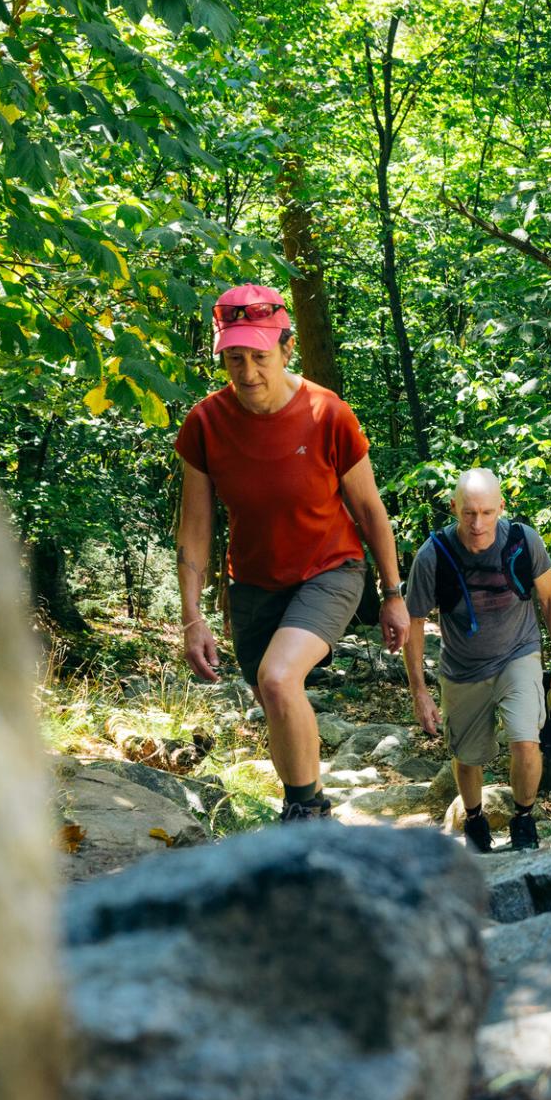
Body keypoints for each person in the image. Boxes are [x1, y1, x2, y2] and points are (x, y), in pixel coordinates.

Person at [174, 283, 410, 822]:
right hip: (254, 583)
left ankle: (310, 815)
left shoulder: (328, 413)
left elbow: (371, 511)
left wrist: (394, 594)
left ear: (286, 348)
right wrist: (193, 617)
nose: (248, 372)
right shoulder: (205, 424)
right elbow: (194, 529)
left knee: (279, 678)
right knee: (271, 697)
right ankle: (298, 805)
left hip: (331, 569)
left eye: (259, 356)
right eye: (235, 358)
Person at [404, 468, 551, 853]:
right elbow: (415, 623)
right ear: (453, 508)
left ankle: (524, 820)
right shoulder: (433, 555)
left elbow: (550, 598)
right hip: (463, 667)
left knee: (525, 739)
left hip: (519, 653)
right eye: (468, 513)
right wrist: (419, 692)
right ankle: (475, 819)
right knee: (467, 756)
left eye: (486, 512)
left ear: (501, 506)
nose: (477, 523)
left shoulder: (522, 541)